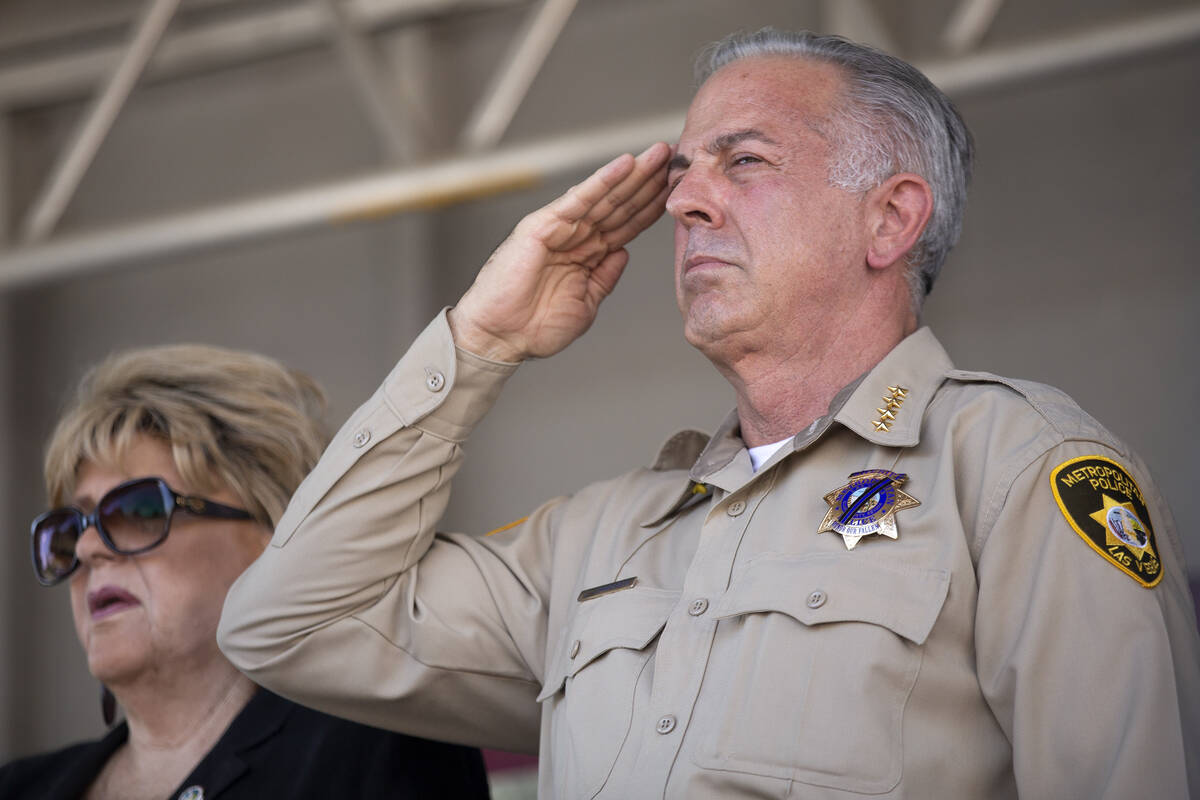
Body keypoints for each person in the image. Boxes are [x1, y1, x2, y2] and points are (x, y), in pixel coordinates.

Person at [218, 28, 1200, 799]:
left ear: (890, 219)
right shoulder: (599, 539)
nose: (685, 203)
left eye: (745, 161)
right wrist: (479, 340)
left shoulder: (1017, 469)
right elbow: (286, 622)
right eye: (684, 172)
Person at [0, 345, 490, 799]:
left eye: (139, 510)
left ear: (274, 536)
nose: (87, 549)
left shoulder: (381, 746)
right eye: (69, 528)